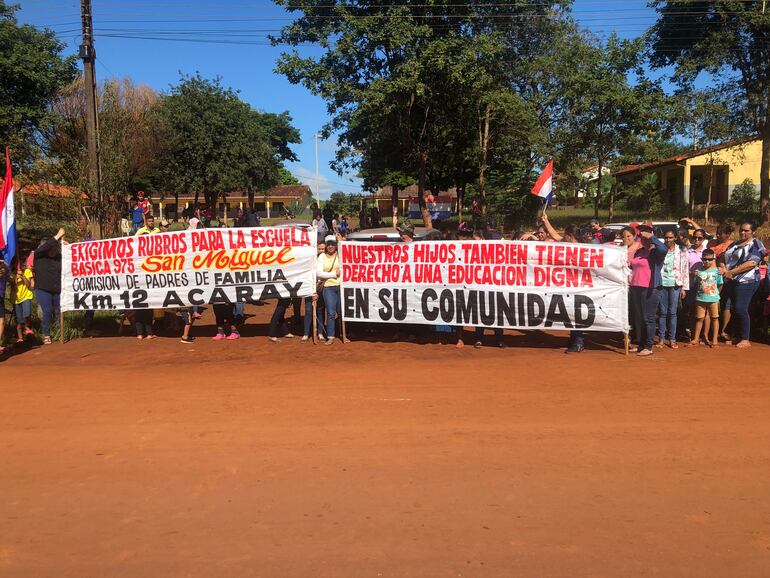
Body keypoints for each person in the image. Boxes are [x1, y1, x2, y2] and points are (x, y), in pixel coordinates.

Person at [719, 222, 765, 348]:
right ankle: (737, 337)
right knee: (735, 308)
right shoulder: (734, 244)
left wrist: (730, 272)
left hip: (747, 281)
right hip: (731, 281)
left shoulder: (756, 244)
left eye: (746, 230)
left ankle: (745, 339)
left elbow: (752, 263)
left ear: (753, 232)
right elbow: (724, 257)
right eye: (741, 230)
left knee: (740, 308)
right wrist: (723, 267)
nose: (742, 232)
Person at [629, 225, 667, 356]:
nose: (642, 239)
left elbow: (664, 248)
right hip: (636, 287)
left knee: (648, 318)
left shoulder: (656, 252)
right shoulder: (639, 252)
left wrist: (652, 237)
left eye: (645, 237)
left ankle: (649, 346)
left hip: (650, 288)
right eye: (641, 237)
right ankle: (641, 344)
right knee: (640, 318)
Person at [656, 227, 689, 349]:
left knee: (673, 312)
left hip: (675, 284)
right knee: (662, 313)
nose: (668, 239)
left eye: (670, 237)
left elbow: (684, 269)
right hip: (661, 284)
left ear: (675, 238)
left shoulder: (681, 251)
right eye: (666, 237)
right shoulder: (660, 250)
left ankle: (672, 339)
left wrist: (684, 288)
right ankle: (661, 339)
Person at [34, 228, 65, 345]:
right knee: (47, 311)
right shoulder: (39, 256)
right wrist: (58, 235)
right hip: (43, 289)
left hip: (57, 289)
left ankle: (58, 331)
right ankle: (46, 333)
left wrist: (67, 247)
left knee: (58, 311)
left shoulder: (59, 258)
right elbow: (45, 246)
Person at [689, 248, 723, 348]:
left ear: (713, 259)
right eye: (704, 259)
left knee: (715, 318)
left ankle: (715, 340)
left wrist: (716, 295)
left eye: (709, 259)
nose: (707, 261)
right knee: (699, 318)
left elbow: (720, 284)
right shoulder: (698, 271)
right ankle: (696, 339)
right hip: (700, 298)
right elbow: (696, 284)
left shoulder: (717, 272)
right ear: (702, 259)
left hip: (713, 299)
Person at [317, 234, 342, 345]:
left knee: (341, 312)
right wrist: (334, 274)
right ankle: (331, 336)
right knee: (331, 312)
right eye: (329, 244)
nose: (331, 246)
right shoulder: (321, 257)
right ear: (326, 246)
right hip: (328, 288)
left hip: (341, 286)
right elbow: (319, 273)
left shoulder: (341, 254)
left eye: (333, 244)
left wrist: (342, 240)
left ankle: (342, 333)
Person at [302, 241, 326, 342]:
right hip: (309, 288)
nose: (320, 251)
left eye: (323, 249)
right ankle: (306, 333)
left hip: (321, 288)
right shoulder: (310, 260)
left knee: (320, 310)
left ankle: (320, 333)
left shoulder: (326, 260)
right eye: (319, 249)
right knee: (308, 310)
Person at [10, 254, 34, 343]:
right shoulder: (11, 274)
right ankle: (20, 337)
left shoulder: (27, 271)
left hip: (26, 296)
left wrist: (23, 275)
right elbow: (13, 287)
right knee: (19, 319)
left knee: (27, 314)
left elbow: (28, 285)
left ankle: (27, 328)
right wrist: (16, 278)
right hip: (16, 298)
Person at [0, 259, 8, 354]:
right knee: (1, 321)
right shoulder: (5, 272)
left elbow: (7, 268)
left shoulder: (5, 272)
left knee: (1, 321)